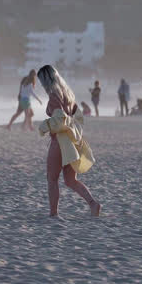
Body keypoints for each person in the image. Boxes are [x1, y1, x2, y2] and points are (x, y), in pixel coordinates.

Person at [37, 65, 101, 218]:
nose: (41, 85)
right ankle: (93, 204)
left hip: (59, 141)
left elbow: (59, 120)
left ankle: (53, 214)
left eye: (41, 81)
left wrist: (44, 126)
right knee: (70, 180)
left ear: (46, 80)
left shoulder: (54, 96)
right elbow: (77, 118)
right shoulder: (68, 94)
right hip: (71, 141)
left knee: (52, 179)